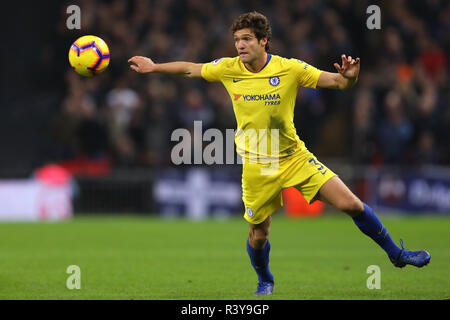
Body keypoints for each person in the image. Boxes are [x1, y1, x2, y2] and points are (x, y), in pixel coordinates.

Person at [128, 11, 430, 296]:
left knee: (351, 204)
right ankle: (265, 279)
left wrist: (349, 77)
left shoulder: (290, 68)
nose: (240, 45)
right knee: (259, 235)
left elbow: (338, 82)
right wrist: (155, 67)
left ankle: (396, 254)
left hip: (294, 157)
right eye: (236, 40)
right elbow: (191, 68)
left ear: (263, 41)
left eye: (246, 38)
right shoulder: (228, 68)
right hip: (257, 166)